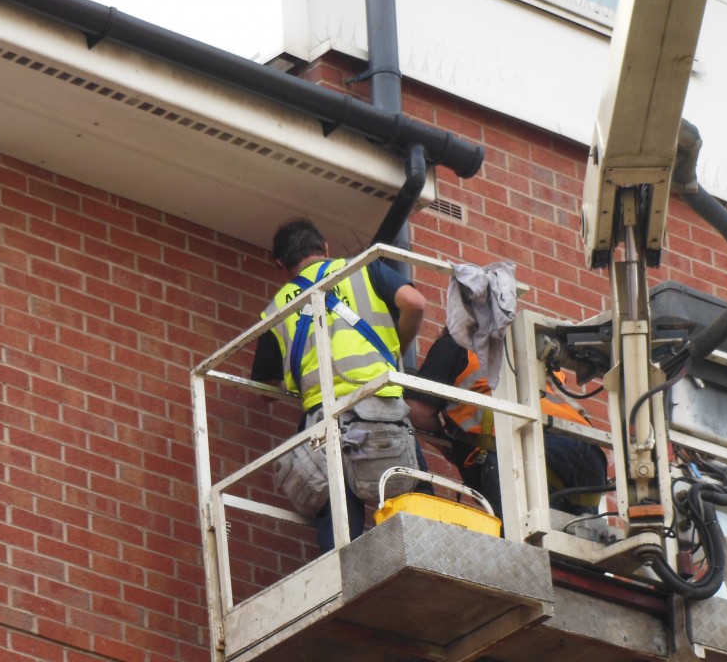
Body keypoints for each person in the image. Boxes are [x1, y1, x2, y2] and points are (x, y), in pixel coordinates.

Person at [251, 218, 426, 552]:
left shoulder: (276, 309)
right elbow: (414, 303)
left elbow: (263, 390)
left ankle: (343, 579)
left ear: (281, 265)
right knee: (413, 496)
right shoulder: (360, 269)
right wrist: (397, 350)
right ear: (325, 247)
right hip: (379, 404)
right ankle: (427, 561)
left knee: (338, 512)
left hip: (322, 421)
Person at [406, 329, 608, 522]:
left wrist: (448, 448)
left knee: (524, 543)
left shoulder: (456, 344)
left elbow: (417, 413)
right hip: (589, 455)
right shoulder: (533, 352)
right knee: (581, 538)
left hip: (526, 450)